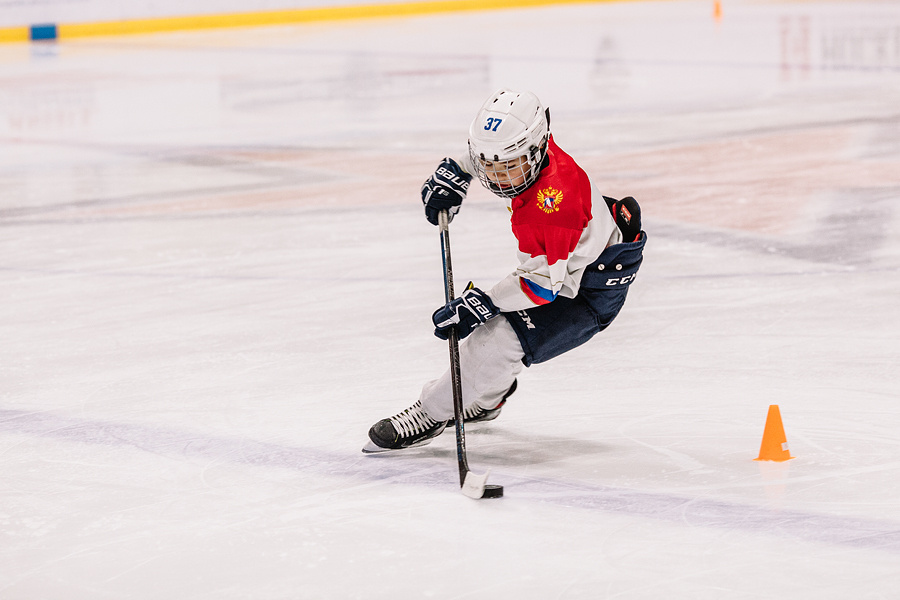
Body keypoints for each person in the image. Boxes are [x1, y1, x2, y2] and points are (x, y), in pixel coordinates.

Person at [362, 88, 646, 453]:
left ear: (536, 149)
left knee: (493, 340)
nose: (497, 177)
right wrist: (461, 170)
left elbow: (543, 287)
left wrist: (483, 303)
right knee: (498, 332)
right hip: (574, 265)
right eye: (487, 164)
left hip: (585, 293)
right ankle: (487, 399)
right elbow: (497, 154)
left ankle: (430, 413)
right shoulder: (533, 151)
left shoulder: (552, 206)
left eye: (507, 165)